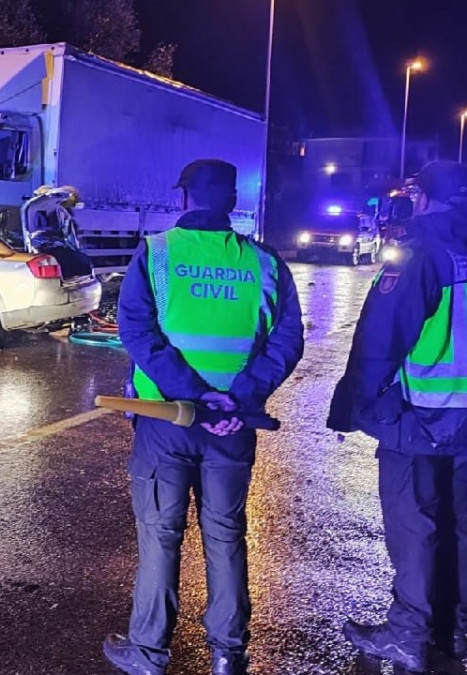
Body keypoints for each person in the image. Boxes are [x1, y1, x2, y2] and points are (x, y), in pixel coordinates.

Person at [104, 160, 305, 675]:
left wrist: (192, 395)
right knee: (225, 535)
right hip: (233, 426)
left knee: (160, 535)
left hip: (167, 423)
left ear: (184, 197)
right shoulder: (264, 263)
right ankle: (227, 655)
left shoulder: (157, 253)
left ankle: (148, 653)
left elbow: (138, 332)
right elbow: (286, 340)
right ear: (232, 201)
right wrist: (238, 397)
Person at [328, 161, 467, 672]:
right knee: (456, 525)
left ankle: (408, 634)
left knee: (414, 527)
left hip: (421, 418)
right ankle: (451, 636)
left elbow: (381, 343)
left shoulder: (421, 256)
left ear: (426, 200)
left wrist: (357, 406)